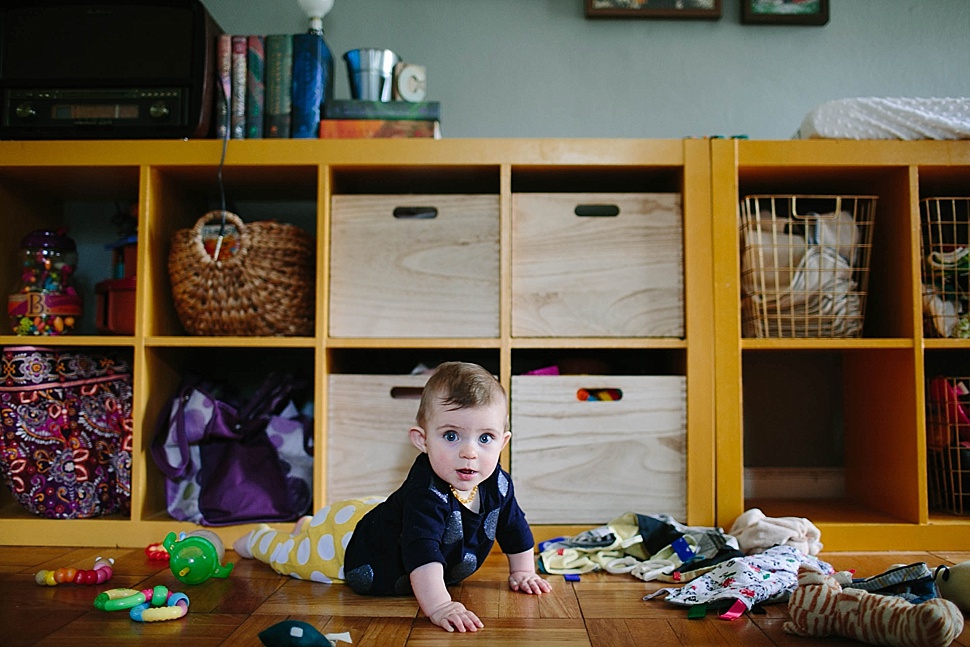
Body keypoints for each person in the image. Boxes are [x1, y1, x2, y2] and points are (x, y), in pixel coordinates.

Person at [234, 361, 551, 632]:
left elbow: (514, 526)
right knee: (297, 556)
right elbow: (422, 551)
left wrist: (523, 571)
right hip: (353, 547)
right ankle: (261, 540)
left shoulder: (498, 483)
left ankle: (310, 526)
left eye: (485, 438)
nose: (470, 452)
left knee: (372, 516)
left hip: (381, 516)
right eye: (451, 435)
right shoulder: (425, 494)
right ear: (422, 440)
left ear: (503, 442)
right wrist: (440, 605)